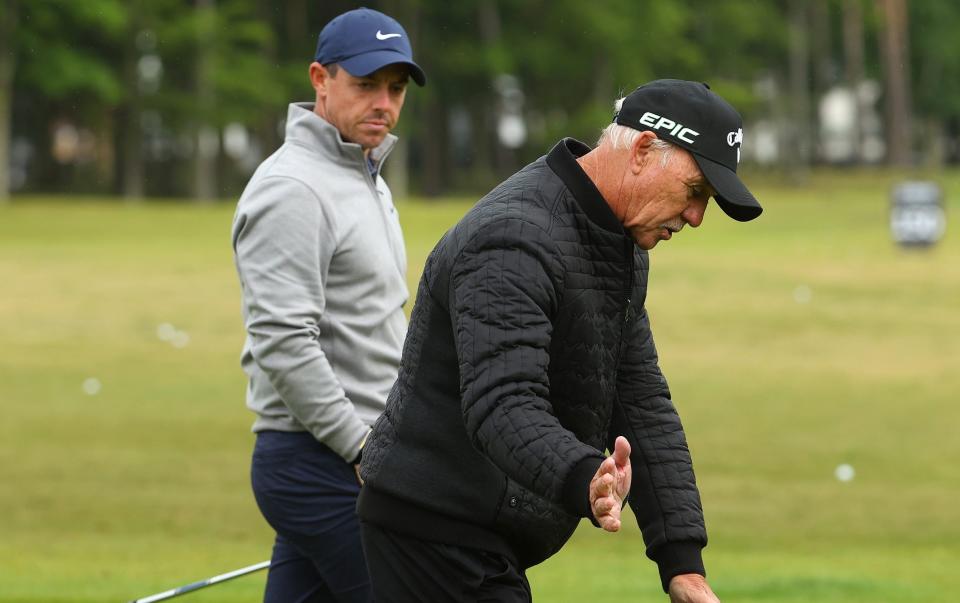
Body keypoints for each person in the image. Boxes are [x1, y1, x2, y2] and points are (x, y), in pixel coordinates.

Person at [358, 79, 762, 602]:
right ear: (642, 150)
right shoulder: (513, 240)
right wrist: (582, 476)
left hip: (480, 533)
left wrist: (681, 560)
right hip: (433, 529)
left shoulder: (617, 241)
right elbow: (502, 403)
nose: (696, 217)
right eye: (694, 192)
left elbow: (638, 399)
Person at [230, 7, 425, 603]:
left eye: (394, 89)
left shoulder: (364, 174)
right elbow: (284, 341)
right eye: (365, 85)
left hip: (354, 455)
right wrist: (364, 449)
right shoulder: (294, 189)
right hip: (320, 461)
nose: (383, 104)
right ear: (320, 78)